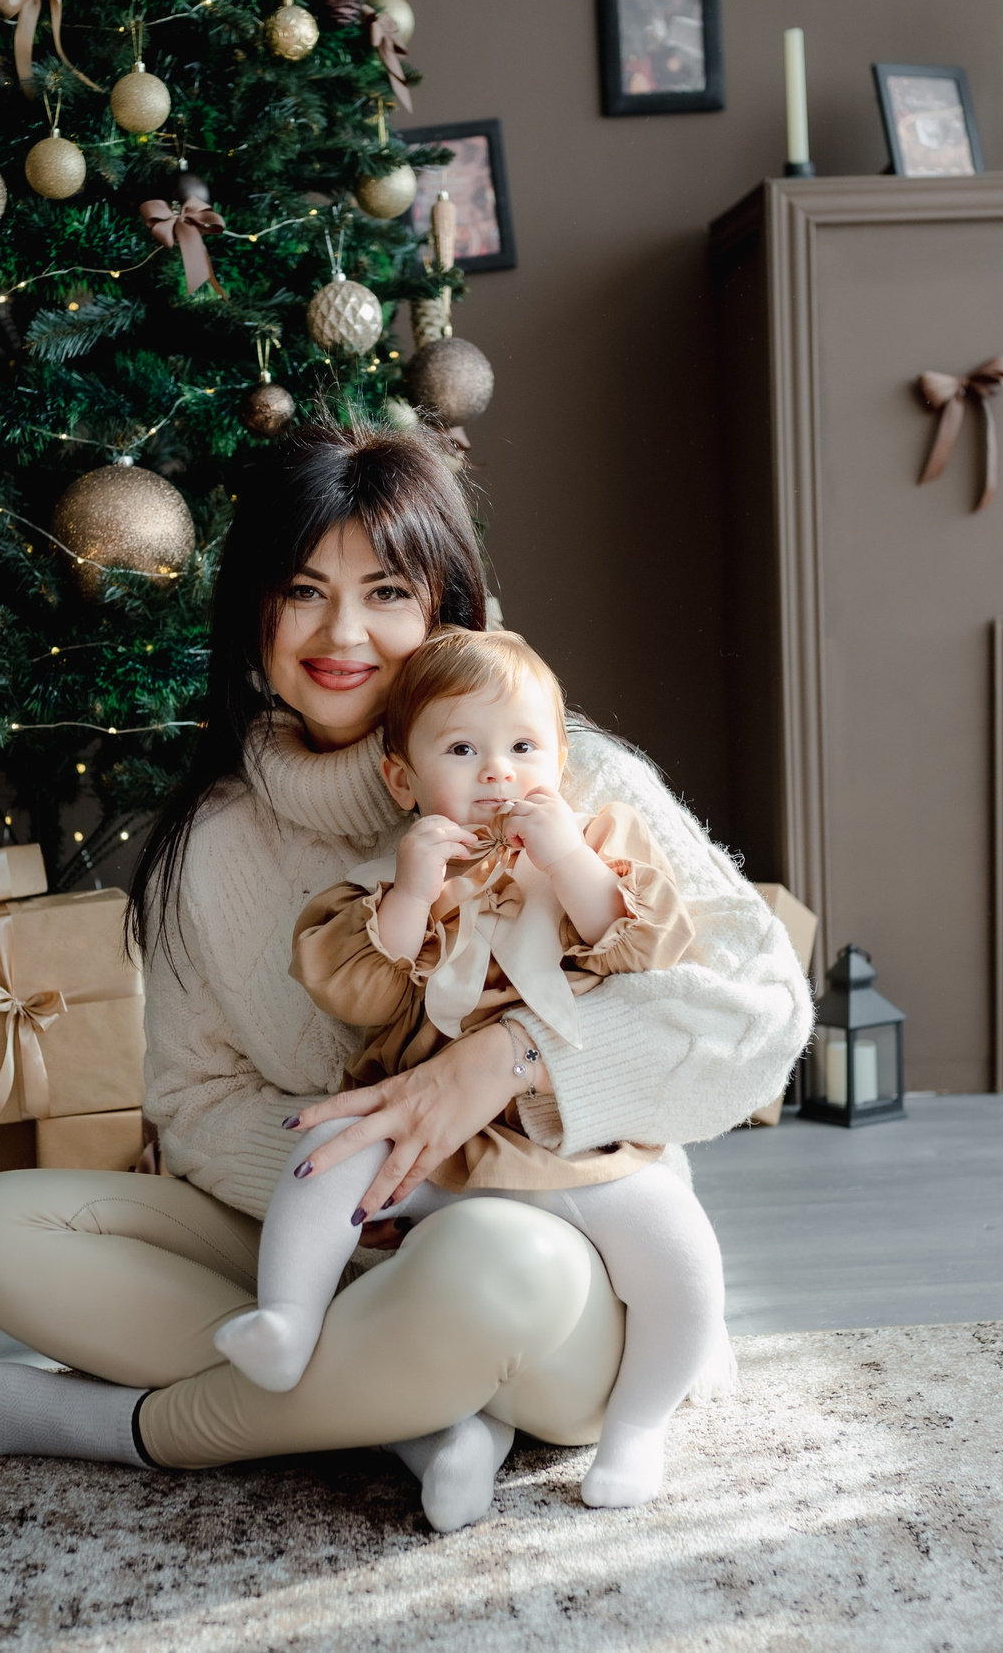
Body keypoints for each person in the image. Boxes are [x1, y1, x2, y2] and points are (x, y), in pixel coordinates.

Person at [0, 421, 810, 1532]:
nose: (342, 632)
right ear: (255, 610)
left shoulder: (560, 773)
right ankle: (410, 1413)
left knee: (488, 1263)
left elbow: (765, 1007)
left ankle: (123, 1425)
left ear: (442, 608)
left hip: (556, 1251)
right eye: (303, 590)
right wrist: (380, 1171)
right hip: (337, 1237)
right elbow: (192, 1105)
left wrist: (512, 1059)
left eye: (386, 591)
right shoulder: (209, 842)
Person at [225, 626, 725, 1509]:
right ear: (403, 779)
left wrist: (566, 853)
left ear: (562, 760)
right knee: (327, 1154)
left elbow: (648, 948)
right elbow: (357, 993)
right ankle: (289, 1323)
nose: (498, 773)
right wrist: (414, 891)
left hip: (564, 1132)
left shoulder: (597, 839)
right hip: (435, 1146)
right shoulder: (399, 872)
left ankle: (641, 1424)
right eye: (463, 750)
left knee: (679, 1247)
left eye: (524, 748)